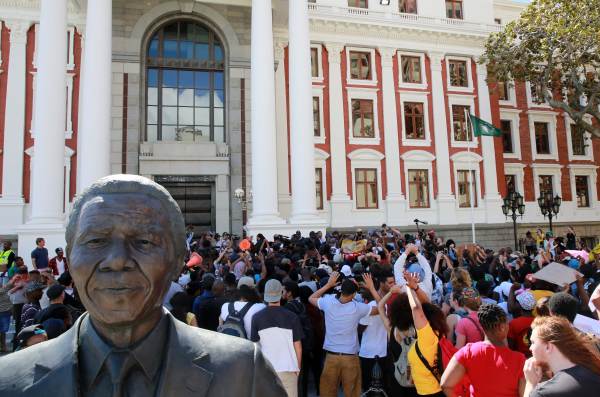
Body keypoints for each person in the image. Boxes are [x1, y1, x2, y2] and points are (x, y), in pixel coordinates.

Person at [0, 174, 285, 397]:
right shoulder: (9, 380)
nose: (117, 260)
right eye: (96, 240)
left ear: (177, 261)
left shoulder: (243, 372)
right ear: (70, 256)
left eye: (144, 242)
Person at [309, 272, 380, 397]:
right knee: (352, 393)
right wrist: (372, 288)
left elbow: (311, 298)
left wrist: (328, 285)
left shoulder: (328, 302)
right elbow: (381, 308)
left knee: (327, 393)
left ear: (341, 291)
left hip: (331, 357)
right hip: (350, 357)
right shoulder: (358, 307)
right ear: (353, 295)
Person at [441, 303, 526, 397]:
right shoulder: (519, 360)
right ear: (503, 327)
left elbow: (446, 385)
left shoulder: (467, 352)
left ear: (482, 326)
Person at [251, 279, 304, 397]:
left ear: (265, 296)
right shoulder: (292, 317)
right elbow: (298, 346)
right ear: (281, 294)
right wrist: (298, 368)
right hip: (288, 369)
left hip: (266, 370)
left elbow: (255, 347)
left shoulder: (256, 317)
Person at [523, 316, 600, 397]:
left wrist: (530, 384)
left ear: (548, 347)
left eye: (533, 342)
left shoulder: (543, 393)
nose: (530, 348)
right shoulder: (592, 368)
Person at [405, 271, 449, 397]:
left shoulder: (427, 336)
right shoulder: (438, 332)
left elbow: (417, 309)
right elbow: (426, 305)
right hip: (437, 390)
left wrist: (409, 288)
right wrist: (416, 288)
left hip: (429, 393)